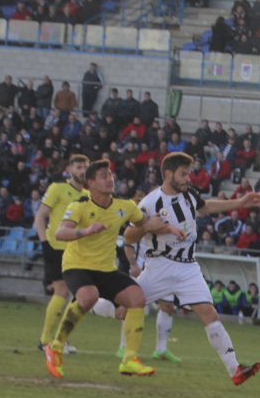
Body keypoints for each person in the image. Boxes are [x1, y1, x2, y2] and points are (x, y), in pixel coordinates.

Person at [121, 153, 260, 384]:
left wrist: (239, 202)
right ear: (168, 174)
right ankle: (90, 301)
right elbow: (129, 235)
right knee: (121, 309)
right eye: (183, 174)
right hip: (160, 266)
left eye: (189, 173)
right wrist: (149, 225)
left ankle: (235, 369)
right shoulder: (149, 202)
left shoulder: (189, 194)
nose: (188, 178)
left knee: (209, 313)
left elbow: (205, 207)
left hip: (188, 267)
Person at [42, 161, 170, 378]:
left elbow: (143, 223)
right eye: (103, 176)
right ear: (91, 183)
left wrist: (168, 226)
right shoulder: (79, 205)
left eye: (110, 174)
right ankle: (54, 347)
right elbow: (60, 233)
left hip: (105, 269)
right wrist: (87, 230)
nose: (110, 179)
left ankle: (129, 359)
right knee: (88, 297)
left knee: (137, 298)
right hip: (77, 265)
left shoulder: (125, 205)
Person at [33, 155, 89, 355]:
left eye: (84, 167)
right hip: (56, 247)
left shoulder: (87, 194)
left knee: (76, 294)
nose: (82, 170)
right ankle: (46, 341)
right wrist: (44, 243)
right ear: (69, 169)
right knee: (62, 291)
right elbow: (40, 215)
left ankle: (59, 339)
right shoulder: (57, 188)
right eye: (78, 166)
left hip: (76, 250)